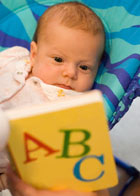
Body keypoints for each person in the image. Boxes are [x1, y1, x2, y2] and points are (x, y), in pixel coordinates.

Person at [0, 1, 107, 196]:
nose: (70, 73)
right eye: (58, 59)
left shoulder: (71, 106)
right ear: (34, 54)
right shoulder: (14, 57)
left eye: (84, 67)